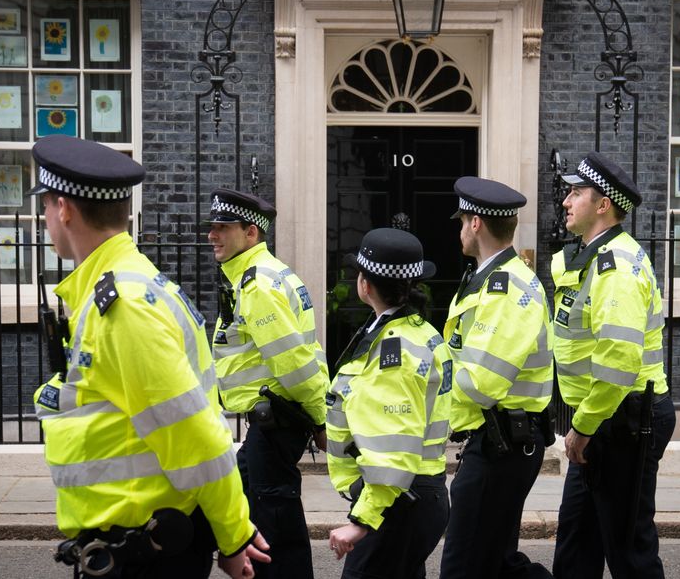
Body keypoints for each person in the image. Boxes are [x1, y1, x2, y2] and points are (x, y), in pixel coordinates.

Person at [30, 135, 269, 579]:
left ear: (63, 208)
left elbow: (193, 434)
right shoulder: (130, 284)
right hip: (137, 541)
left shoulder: (124, 305)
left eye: (44, 206)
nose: (45, 218)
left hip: (143, 551)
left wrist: (233, 535)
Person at [550, 152, 675, 579]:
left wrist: (582, 429)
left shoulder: (616, 266)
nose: (566, 201)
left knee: (629, 552)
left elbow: (618, 362)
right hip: (604, 417)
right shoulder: (593, 258)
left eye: (576, 193)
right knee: (575, 546)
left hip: (622, 419)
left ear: (603, 205)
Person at [205, 188, 330, 579]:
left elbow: (292, 362)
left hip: (275, 420)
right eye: (213, 226)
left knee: (275, 528)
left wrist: (321, 418)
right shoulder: (266, 275)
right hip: (269, 421)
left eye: (223, 227)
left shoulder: (258, 285)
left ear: (252, 234)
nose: (213, 235)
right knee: (251, 513)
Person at [439, 177, 555, 579]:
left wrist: (434, 381)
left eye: (461, 221)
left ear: (475, 224)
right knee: (498, 562)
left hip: (502, 446)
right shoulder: (483, 280)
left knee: (463, 564)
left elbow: (482, 383)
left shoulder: (506, 290)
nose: (459, 230)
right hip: (495, 441)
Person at [326, 228, 452, 578]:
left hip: (397, 502)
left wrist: (362, 521)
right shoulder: (419, 330)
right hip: (414, 495)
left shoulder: (392, 353)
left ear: (365, 284)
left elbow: (393, 449)